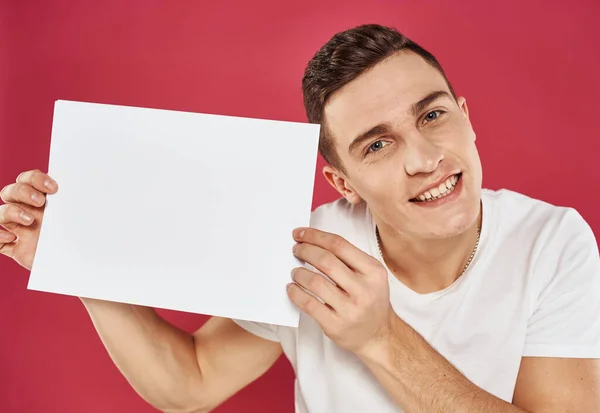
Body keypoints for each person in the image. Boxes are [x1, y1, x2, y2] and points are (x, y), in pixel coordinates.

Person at [1, 24, 599, 413]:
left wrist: (379, 339)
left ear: (465, 117)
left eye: (433, 115)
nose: (425, 159)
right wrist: (76, 262)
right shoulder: (309, 249)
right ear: (344, 184)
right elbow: (191, 382)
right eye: (377, 145)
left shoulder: (552, 241)